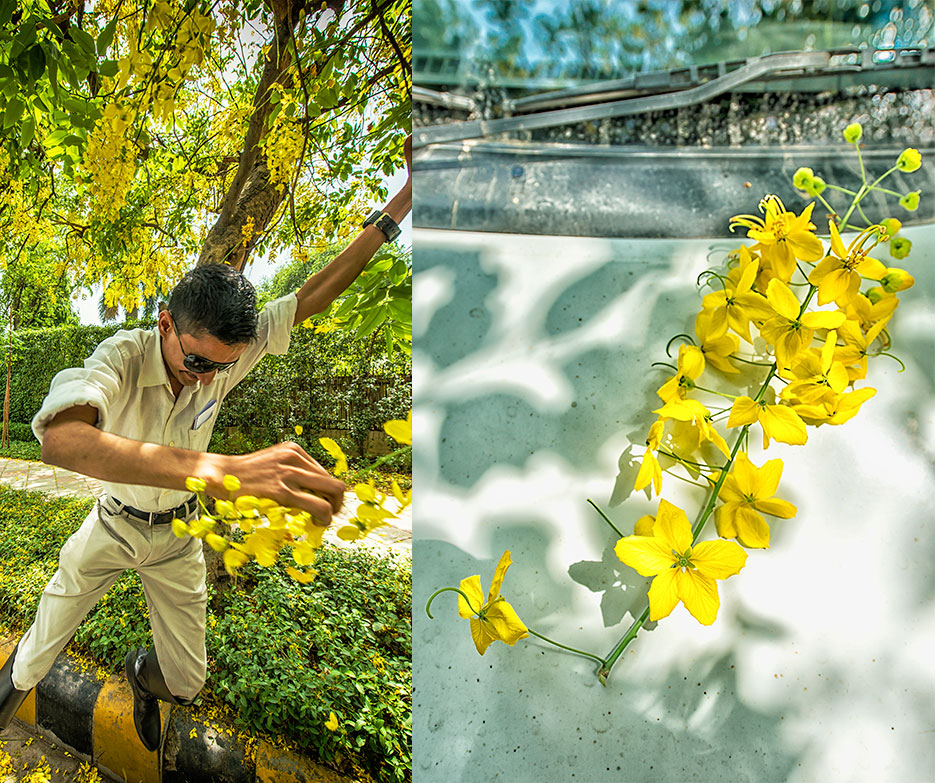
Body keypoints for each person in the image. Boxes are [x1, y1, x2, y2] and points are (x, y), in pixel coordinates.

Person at [0, 139, 411, 751]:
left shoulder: (222, 360)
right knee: (35, 655)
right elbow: (61, 441)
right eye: (196, 359)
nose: (206, 376)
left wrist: (402, 202)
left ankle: (142, 678)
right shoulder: (123, 354)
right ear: (165, 321)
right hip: (110, 529)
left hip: (178, 539)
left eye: (222, 366)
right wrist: (224, 470)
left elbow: (314, 293)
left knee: (187, 681)